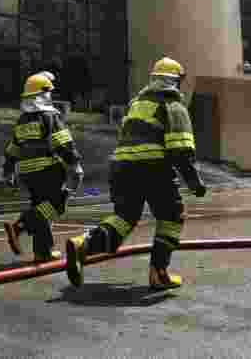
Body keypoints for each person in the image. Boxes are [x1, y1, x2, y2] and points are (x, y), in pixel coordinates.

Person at [65, 57, 206, 291]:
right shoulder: (172, 105)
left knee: (124, 218)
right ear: (175, 82)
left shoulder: (137, 104)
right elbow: (181, 150)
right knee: (171, 217)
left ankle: (84, 244)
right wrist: (195, 183)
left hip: (122, 168)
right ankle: (158, 273)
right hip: (153, 169)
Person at [1, 71, 84, 263]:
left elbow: (12, 148)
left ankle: (43, 253)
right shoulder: (50, 117)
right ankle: (19, 227)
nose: (51, 97)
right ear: (43, 94)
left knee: (41, 209)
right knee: (56, 205)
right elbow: (63, 142)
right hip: (49, 170)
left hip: (28, 174)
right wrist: (74, 164)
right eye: (48, 93)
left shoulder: (22, 121)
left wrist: (8, 171)